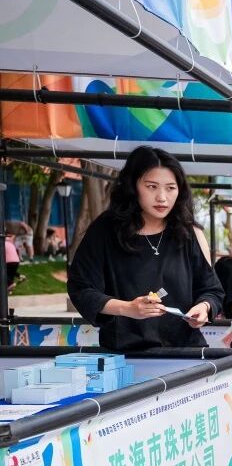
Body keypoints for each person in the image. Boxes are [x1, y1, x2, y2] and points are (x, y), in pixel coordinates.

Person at [68, 145, 223, 350]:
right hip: (127, 356)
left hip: (185, 354)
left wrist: (204, 308)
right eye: (151, 186)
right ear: (132, 186)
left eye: (170, 188)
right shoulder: (105, 230)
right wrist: (127, 308)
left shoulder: (186, 232)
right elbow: (81, 288)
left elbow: (211, 289)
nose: (162, 197)